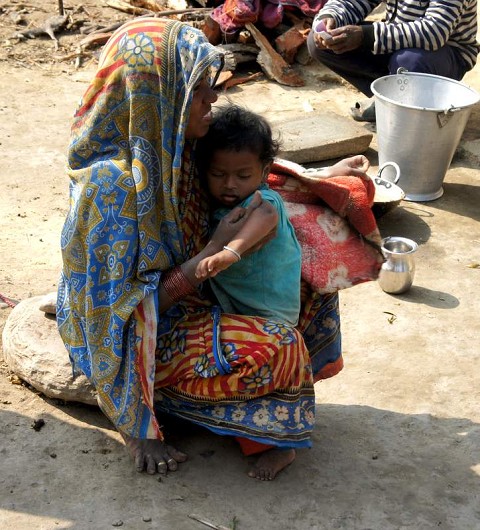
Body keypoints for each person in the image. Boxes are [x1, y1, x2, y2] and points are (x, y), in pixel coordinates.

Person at [56, 16, 372, 481]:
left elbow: (249, 178)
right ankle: (149, 414)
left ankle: (251, 409)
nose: (213, 98)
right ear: (160, 94)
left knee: (315, 271)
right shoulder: (112, 189)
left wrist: (320, 178)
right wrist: (207, 259)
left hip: (199, 291)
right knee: (279, 347)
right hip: (140, 332)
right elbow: (112, 319)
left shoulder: (171, 142)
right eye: (199, 89)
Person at [195, 104, 302, 328]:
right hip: (237, 307)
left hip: (271, 313)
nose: (229, 184)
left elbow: (266, 215)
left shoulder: (262, 199)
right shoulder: (214, 201)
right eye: (217, 174)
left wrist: (231, 252)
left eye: (243, 176)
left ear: (265, 171)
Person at [307, 0, 480, 122]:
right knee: (319, 45)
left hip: (445, 54)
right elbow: (352, 2)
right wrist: (329, 17)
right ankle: (390, 96)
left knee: (408, 61)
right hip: (397, 42)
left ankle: (402, 104)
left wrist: (365, 36)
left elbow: (434, 31)